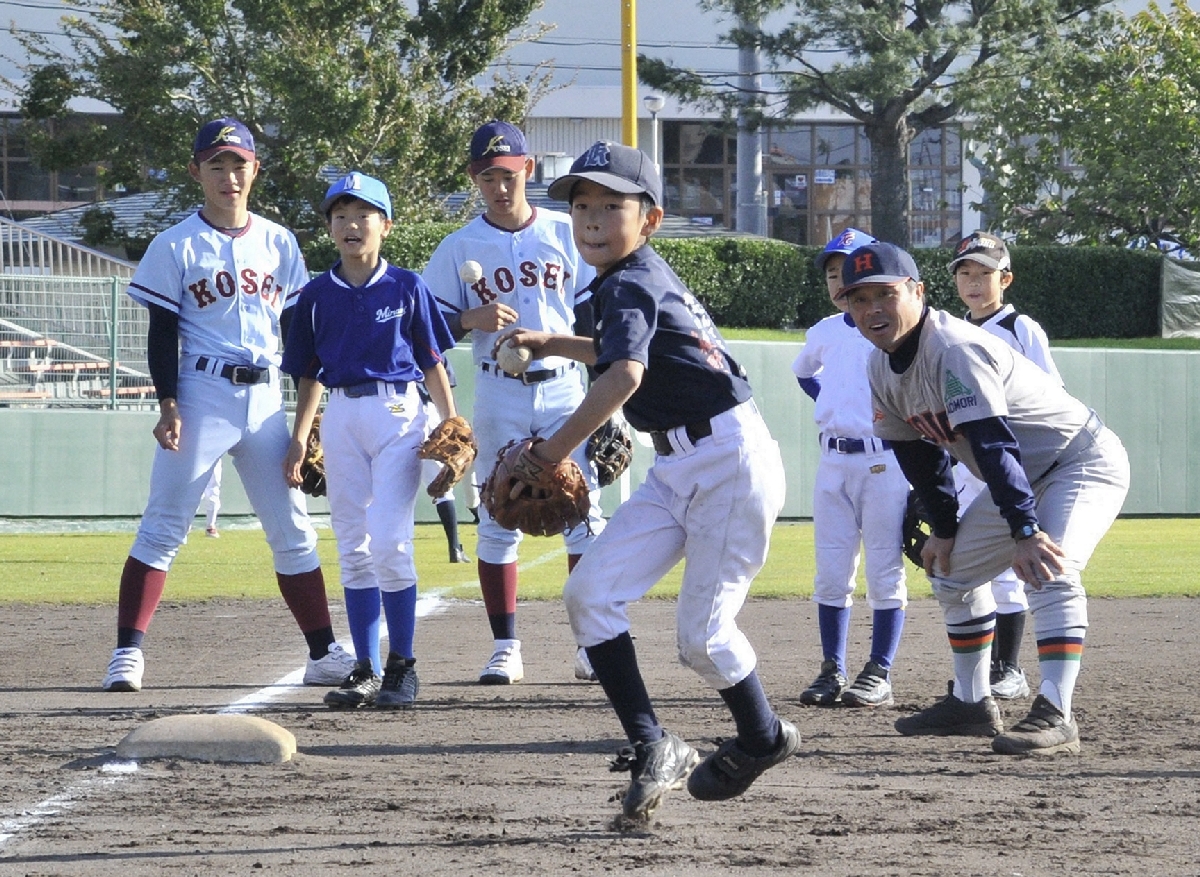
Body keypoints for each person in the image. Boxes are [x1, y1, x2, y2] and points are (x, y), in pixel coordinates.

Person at [496, 141, 799, 823]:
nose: (592, 217)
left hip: (729, 463)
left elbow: (625, 374)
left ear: (651, 219)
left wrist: (550, 452)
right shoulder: (631, 280)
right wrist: (553, 341)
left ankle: (763, 735)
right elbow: (630, 354)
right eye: (581, 204)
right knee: (590, 593)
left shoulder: (630, 281)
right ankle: (653, 744)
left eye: (612, 205)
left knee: (702, 637)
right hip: (680, 464)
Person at [835, 240, 1130, 755]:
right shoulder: (880, 367)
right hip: (1018, 477)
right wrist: (944, 530)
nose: (872, 309)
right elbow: (918, 456)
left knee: (1048, 568)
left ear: (918, 292)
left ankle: (1056, 712)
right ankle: (971, 704)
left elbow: (994, 445)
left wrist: (1025, 531)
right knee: (950, 572)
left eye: (885, 294)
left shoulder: (954, 347)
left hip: (1079, 461)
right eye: (859, 299)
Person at [101, 118, 355, 693]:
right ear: (196, 171)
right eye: (216, 164)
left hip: (265, 399)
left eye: (239, 164)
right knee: (163, 526)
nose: (229, 175)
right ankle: (126, 654)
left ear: (254, 170)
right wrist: (167, 402)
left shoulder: (279, 241)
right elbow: (162, 331)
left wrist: (305, 419)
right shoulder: (175, 244)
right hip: (201, 392)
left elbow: (298, 332)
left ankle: (322, 653)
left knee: (293, 529)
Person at [422, 120, 605, 685]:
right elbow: (423, 331)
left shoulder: (564, 232)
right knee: (498, 514)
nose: (499, 187)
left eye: (508, 174)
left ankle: (592, 644)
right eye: (487, 177)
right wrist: (466, 319)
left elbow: (595, 316)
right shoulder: (458, 246)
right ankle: (506, 647)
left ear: (528, 169)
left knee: (583, 513)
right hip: (497, 390)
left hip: (565, 387)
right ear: (474, 178)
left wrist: (609, 401)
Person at [283, 171, 458, 710]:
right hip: (340, 414)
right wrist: (300, 437)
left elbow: (432, 360)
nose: (351, 224)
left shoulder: (406, 285)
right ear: (329, 228)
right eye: (340, 216)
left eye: (363, 215)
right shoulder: (315, 295)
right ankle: (366, 668)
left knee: (388, 540)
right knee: (353, 546)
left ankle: (403, 666)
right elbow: (308, 373)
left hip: (397, 410)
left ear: (386, 225)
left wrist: (452, 423)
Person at [791, 228, 909, 708]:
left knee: (884, 570)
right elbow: (804, 373)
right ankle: (832, 669)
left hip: (883, 461)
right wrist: (833, 403)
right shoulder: (823, 331)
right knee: (831, 573)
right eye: (833, 273)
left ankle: (879, 670)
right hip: (833, 461)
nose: (839, 280)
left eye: (849, 270)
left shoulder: (890, 331)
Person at [950, 230, 1064, 701]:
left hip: (1009, 461)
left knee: (1005, 572)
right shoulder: (952, 331)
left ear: (1006, 279)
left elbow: (1052, 394)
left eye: (985, 273)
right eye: (965, 273)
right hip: (964, 464)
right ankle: (975, 675)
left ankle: (1009, 668)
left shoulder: (1021, 328)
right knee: (965, 569)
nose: (975, 283)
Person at [419, 359, 470, 564]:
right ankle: (455, 547)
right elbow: (445, 388)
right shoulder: (431, 348)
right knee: (442, 487)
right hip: (428, 412)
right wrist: (454, 423)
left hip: (393, 411)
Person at [200, 457, 222, 537]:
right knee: (193, 489)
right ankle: (186, 524)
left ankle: (211, 525)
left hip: (214, 455)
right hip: (194, 454)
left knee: (213, 489)